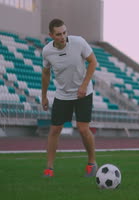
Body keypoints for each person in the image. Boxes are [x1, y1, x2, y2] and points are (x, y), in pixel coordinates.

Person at [41, 18, 98, 178]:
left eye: (65, 32)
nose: (63, 36)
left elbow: (93, 62)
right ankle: (49, 168)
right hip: (62, 94)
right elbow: (45, 73)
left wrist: (84, 85)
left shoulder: (79, 42)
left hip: (83, 92)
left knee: (82, 129)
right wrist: (44, 96)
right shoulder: (47, 51)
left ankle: (92, 163)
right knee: (55, 130)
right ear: (51, 35)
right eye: (58, 34)